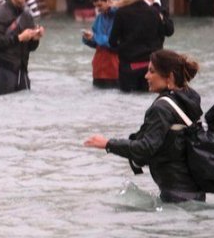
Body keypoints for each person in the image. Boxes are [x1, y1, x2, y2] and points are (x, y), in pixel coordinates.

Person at [84, 49, 206, 203]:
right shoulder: (186, 100)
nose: (146, 76)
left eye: (152, 71)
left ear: (169, 77)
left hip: (176, 196)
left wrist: (108, 144)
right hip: (195, 193)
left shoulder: (161, 109)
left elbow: (145, 148)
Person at [109, 0, 171, 92]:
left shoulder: (121, 13)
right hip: (151, 67)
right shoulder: (154, 12)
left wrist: (123, 50)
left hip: (129, 67)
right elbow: (161, 36)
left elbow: (112, 41)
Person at [81, 0, 118, 89]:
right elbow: (97, 42)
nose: (98, 9)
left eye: (100, 5)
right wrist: (88, 39)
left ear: (109, 1)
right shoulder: (99, 18)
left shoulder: (119, 17)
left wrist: (95, 37)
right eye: (96, 6)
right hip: (98, 69)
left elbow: (115, 42)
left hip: (114, 69)